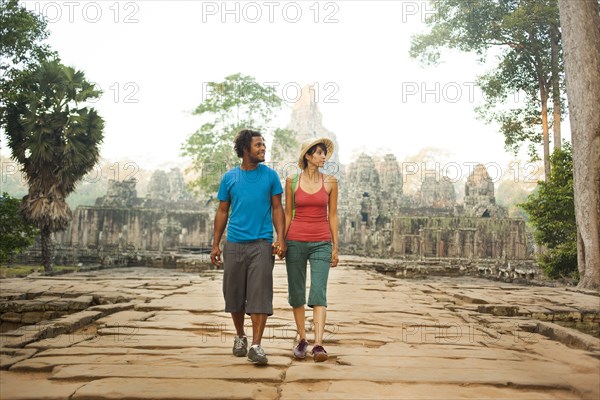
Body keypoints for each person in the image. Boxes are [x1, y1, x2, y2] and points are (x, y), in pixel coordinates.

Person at [210, 129, 286, 365]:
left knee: (260, 294)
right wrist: (215, 244)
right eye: (258, 145)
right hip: (234, 243)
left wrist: (280, 238)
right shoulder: (229, 178)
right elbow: (223, 211)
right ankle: (240, 336)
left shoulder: (270, 176)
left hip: (262, 244)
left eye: (264, 145)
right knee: (234, 294)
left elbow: (277, 209)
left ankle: (256, 344)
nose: (263, 148)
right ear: (245, 149)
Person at [284, 137, 339, 362]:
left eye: (325, 153)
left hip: (321, 242)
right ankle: (303, 340)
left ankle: (318, 344)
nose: (324, 156)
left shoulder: (331, 182)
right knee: (296, 292)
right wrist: (281, 241)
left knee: (319, 292)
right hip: (295, 241)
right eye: (319, 152)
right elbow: (288, 213)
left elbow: (332, 215)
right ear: (308, 156)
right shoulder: (291, 181)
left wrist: (335, 246)